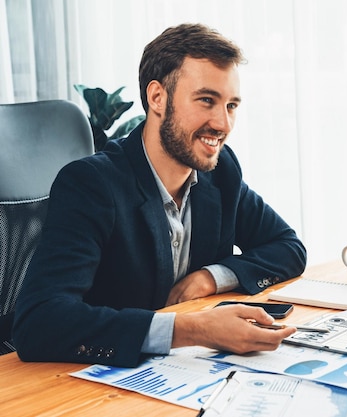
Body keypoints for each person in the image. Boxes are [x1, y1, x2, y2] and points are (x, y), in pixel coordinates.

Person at [12, 23, 307, 367]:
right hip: (97, 379)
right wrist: (191, 329)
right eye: (207, 100)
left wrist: (209, 277)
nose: (223, 123)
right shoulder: (92, 185)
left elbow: (287, 247)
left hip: (187, 373)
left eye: (231, 106)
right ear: (157, 98)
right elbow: (39, 324)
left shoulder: (220, 172)